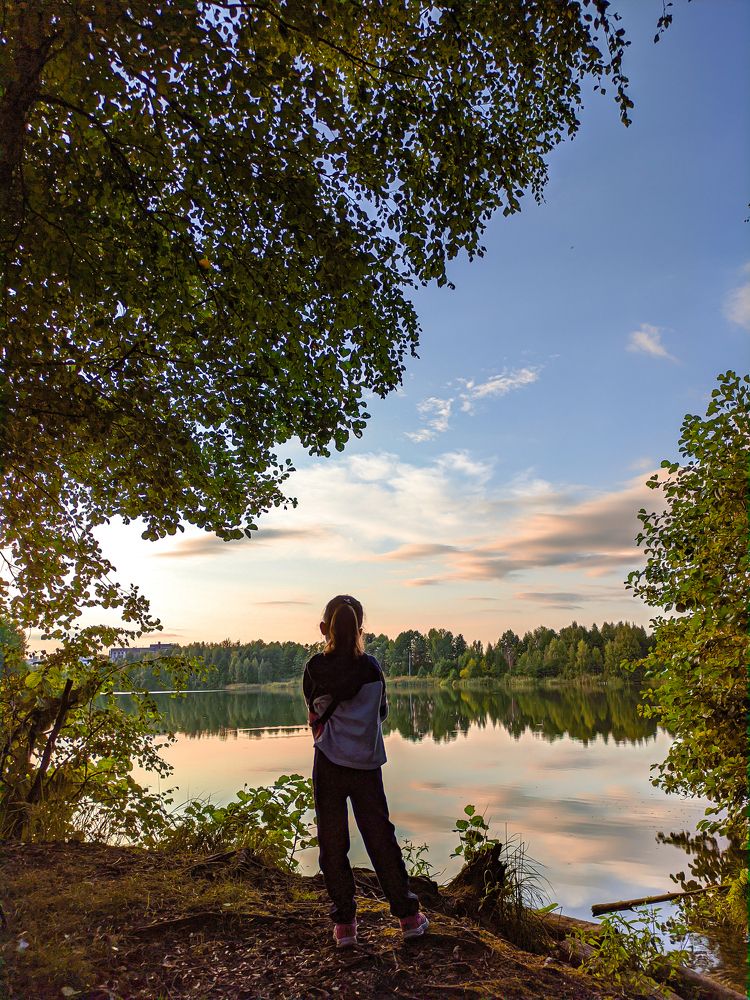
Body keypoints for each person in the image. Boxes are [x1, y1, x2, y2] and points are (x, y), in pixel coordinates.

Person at [303, 594, 429, 948]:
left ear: (324, 628)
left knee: (332, 841)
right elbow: (382, 713)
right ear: (361, 629)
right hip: (366, 764)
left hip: (328, 762)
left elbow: (313, 708)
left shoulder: (314, 667)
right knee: (380, 839)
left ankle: (345, 925)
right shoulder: (372, 668)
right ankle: (408, 917)